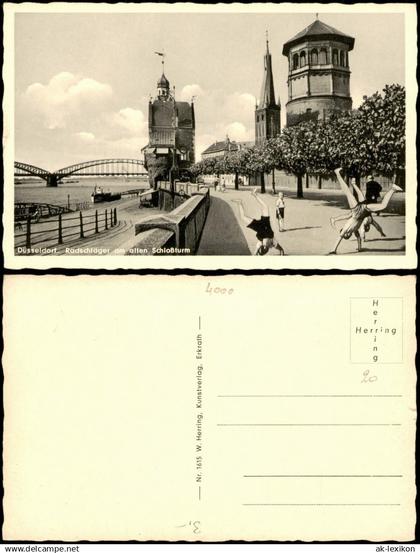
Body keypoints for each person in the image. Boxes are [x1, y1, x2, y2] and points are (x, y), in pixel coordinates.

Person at [329, 168, 402, 254]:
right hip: (364, 212)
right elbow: (359, 238)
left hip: (356, 210)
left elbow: (340, 237)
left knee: (348, 192)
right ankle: (393, 189)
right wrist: (359, 248)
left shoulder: (345, 229)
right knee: (383, 206)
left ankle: (337, 173)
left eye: (346, 235)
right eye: (348, 236)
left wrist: (334, 249)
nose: (347, 235)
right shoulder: (354, 231)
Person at [232, 188, 284, 255]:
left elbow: (255, 253)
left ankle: (239, 203)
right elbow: (281, 250)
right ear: (268, 247)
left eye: (264, 245)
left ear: (262, 246)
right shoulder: (273, 242)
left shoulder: (260, 244)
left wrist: (256, 254)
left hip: (259, 227)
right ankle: (254, 194)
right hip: (266, 223)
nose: (265, 244)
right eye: (266, 245)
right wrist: (282, 253)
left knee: (243, 217)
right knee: (265, 207)